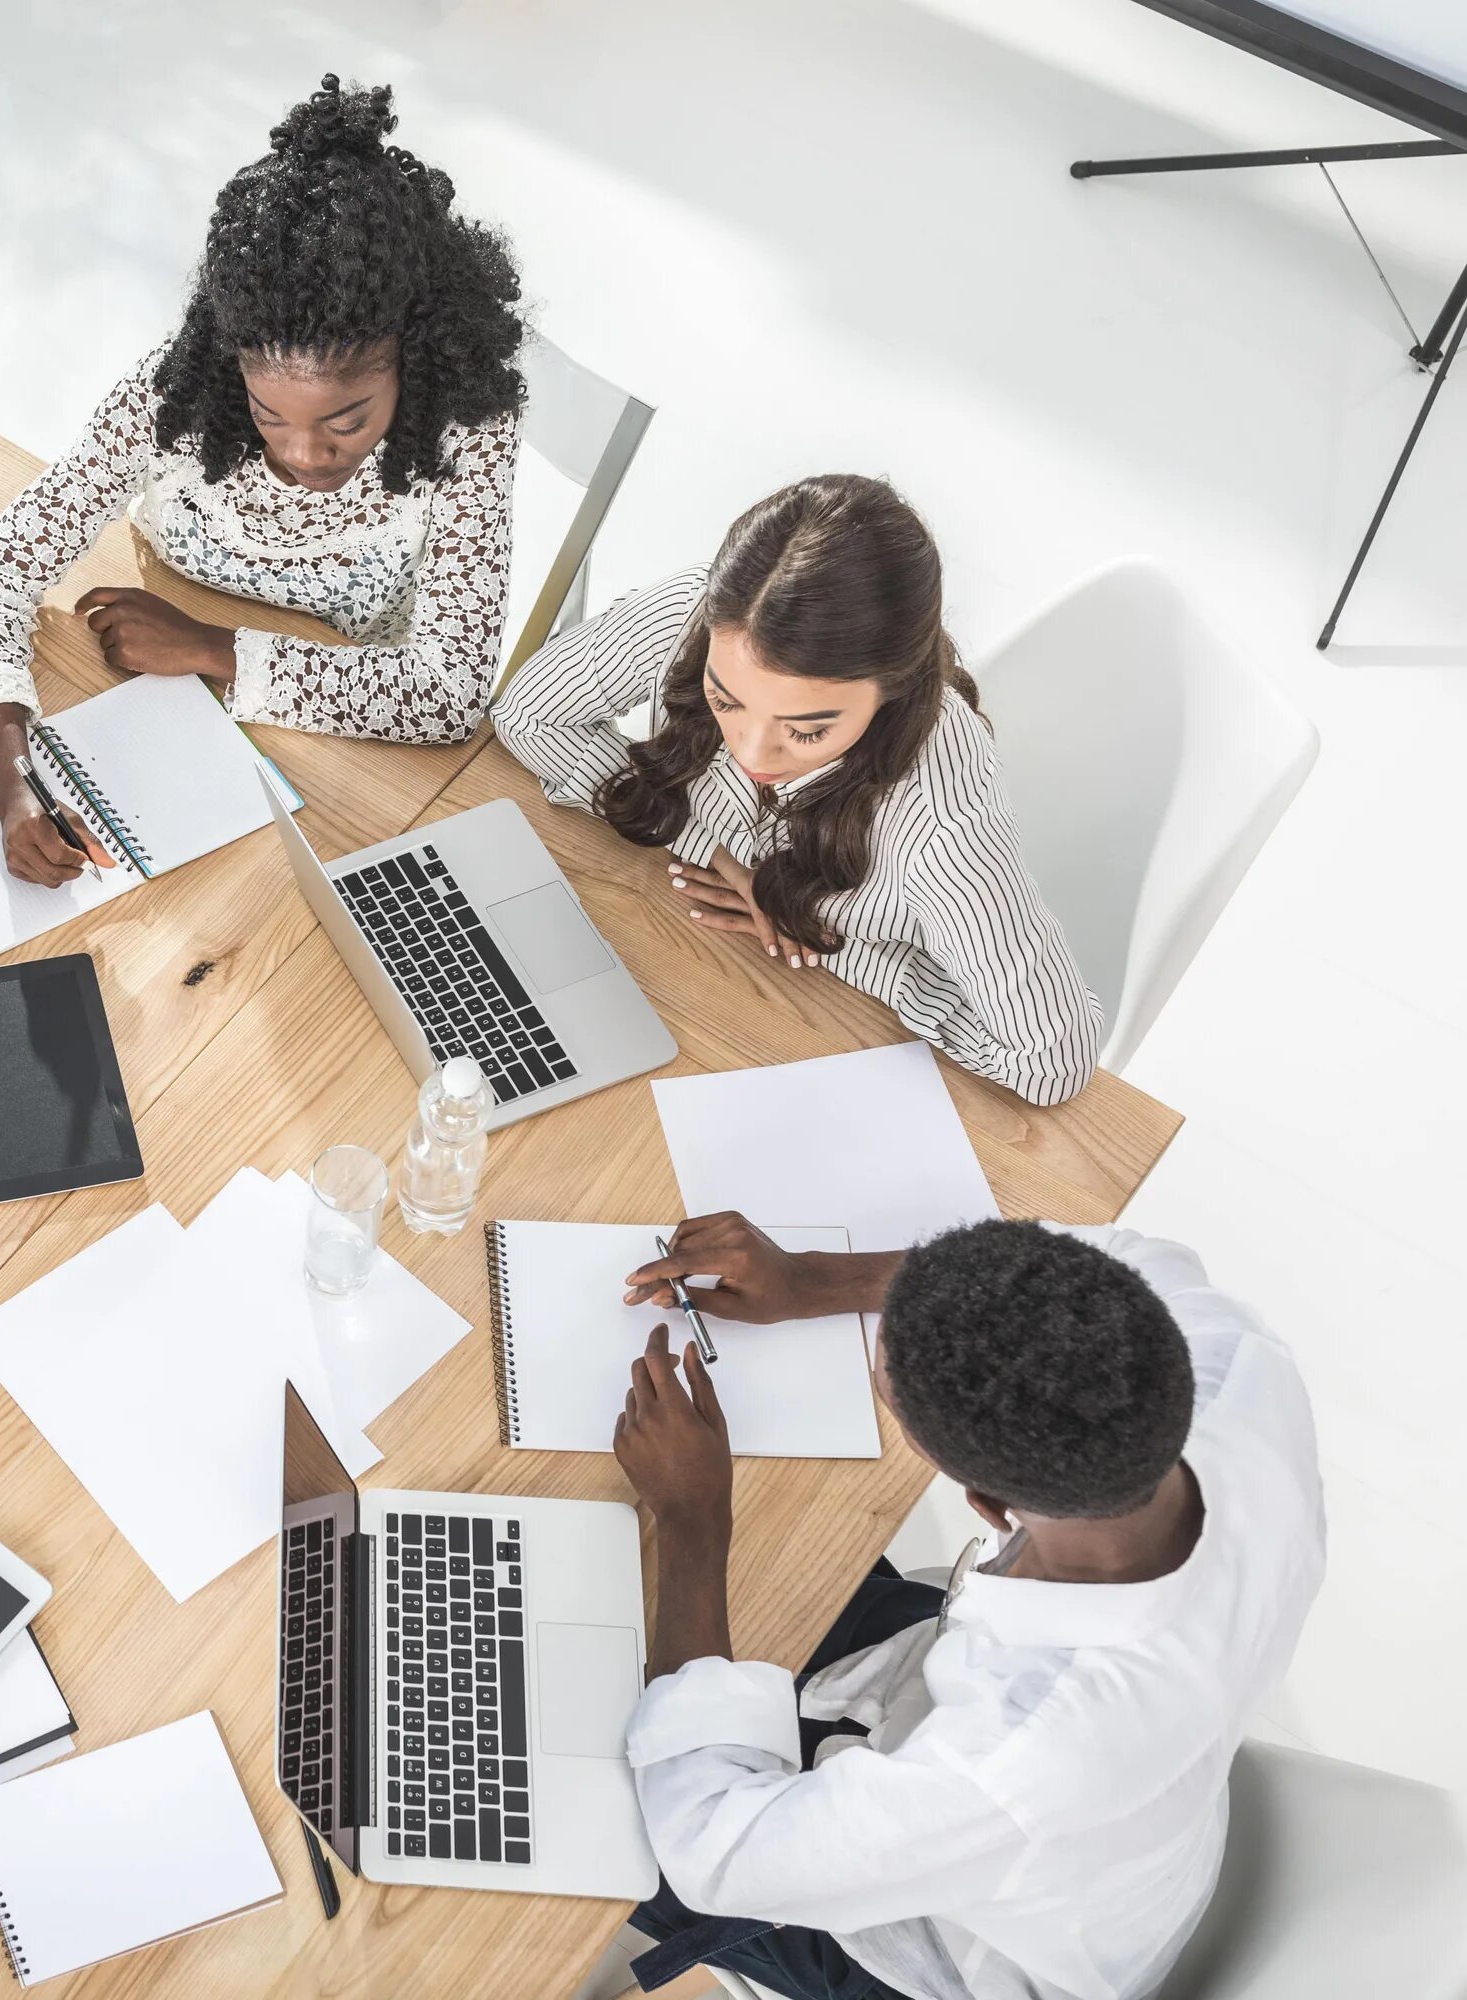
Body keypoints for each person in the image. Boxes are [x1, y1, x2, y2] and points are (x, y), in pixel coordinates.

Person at [603, 1212, 1325, 2000]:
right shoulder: (1239, 1370)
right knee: (770, 1561)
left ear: (985, 1505)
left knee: (568, 1790)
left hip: (941, 1951)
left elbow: (712, 1849)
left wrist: (692, 1520)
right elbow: (1104, 1255)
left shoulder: (1016, 1762)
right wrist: (814, 1280)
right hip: (1104, 1832)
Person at [0, 75, 524, 888]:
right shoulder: (176, 395)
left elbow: (448, 693)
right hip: (168, 672)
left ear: (413, 359)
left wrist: (207, 648)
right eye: (269, 414)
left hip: (345, 703)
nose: (304, 454)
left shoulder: (468, 428)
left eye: (347, 421)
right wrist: (12, 787)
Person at [491, 475, 1100, 1105]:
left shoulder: (939, 815)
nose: (752, 752)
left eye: (807, 731)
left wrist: (829, 942)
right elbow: (528, 713)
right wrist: (720, 857)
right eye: (725, 700)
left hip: (829, 1051)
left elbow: (1050, 1061)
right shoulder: (706, 619)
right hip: (679, 977)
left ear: (890, 689)